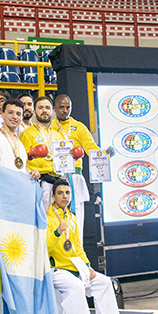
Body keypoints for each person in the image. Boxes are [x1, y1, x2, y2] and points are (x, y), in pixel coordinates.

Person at [46, 179, 123, 314]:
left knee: (103, 282)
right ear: (53, 197)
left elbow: (77, 246)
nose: (64, 196)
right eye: (60, 193)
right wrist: (57, 232)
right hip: (56, 269)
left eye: (67, 193)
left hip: (75, 266)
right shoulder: (46, 218)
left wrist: (87, 265)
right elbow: (44, 248)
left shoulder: (71, 217)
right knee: (76, 288)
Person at [52, 94, 115, 237]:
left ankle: (77, 247)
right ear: (54, 108)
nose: (65, 111)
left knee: (77, 218)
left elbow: (91, 149)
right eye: (61, 107)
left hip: (75, 177)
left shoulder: (79, 127)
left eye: (68, 107)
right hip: (54, 176)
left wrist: (105, 154)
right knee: (55, 217)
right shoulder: (49, 128)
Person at [0, 98, 40, 180]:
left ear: (22, 118)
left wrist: (31, 174)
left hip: (16, 186)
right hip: (0, 184)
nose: (14, 116)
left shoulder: (20, 144)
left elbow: (21, 171)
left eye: (18, 114)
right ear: (3, 115)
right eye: (10, 112)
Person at [19, 96, 56, 211]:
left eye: (47, 108)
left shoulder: (58, 134)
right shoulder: (27, 134)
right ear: (34, 112)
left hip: (57, 181)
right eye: (40, 108)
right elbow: (20, 160)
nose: (44, 110)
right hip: (38, 181)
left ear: (52, 111)